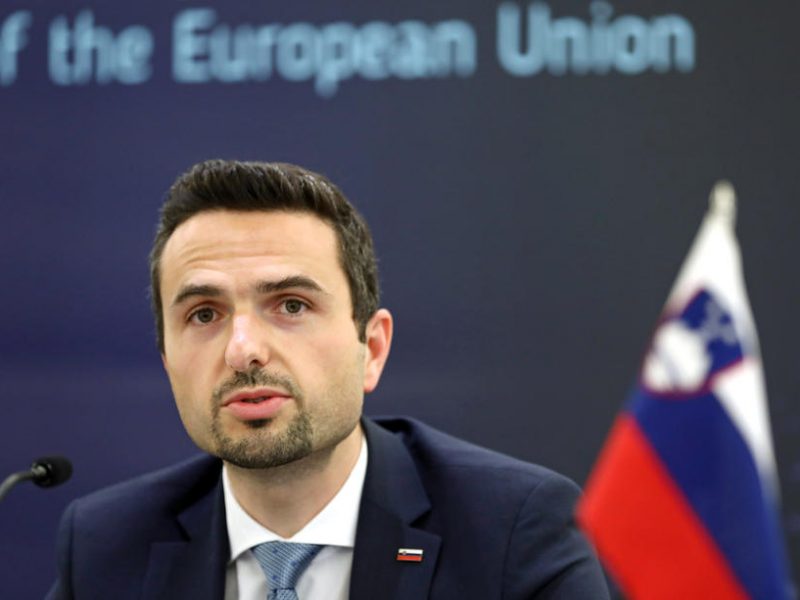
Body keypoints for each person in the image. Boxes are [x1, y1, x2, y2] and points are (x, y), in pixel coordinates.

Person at [48, 160, 609, 599]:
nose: (243, 351)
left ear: (373, 349)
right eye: (204, 314)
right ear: (168, 361)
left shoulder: (510, 531)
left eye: (291, 305)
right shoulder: (106, 546)